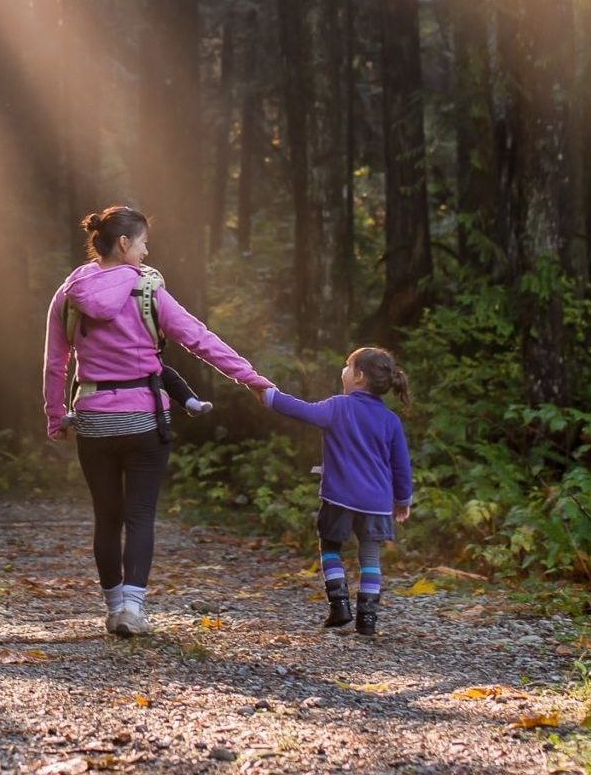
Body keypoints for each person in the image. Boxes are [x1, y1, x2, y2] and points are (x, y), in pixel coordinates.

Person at [45, 205, 274, 636]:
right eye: (144, 242)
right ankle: (133, 609)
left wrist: (56, 416)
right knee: (140, 516)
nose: (148, 253)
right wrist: (252, 379)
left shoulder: (69, 292)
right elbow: (200, 340)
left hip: (93, 419)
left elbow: (55, 363)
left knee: (106, 517)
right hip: (145, 420)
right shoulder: (148, 291)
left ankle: (113, 609)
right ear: (125, 243)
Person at [260, 347, 413, 636]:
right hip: (377, 503)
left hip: (339, 496)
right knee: (370, 557)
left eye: (347, 366)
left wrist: (269, 396)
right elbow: (401, 466)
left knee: (330, 546)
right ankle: (367, 619)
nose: (342, 371)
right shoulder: (391, 420)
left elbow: (302, 410)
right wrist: (402, 500)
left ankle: (339, 605)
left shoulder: (338, 407)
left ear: (358, 376)